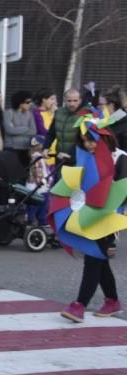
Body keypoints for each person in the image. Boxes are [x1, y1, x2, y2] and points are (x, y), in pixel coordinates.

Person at [59, 126, 125, 322]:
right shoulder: (86, 157)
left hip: (108, 217)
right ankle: (112, 301)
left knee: (93, 258)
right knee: (100, 261)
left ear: (105, 139)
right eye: (84, 141)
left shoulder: (121, 158)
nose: (88, 144)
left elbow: (123, 190)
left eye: (92, 140)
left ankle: (79, 305)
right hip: (87, 213)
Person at [45, 89, 87, 158]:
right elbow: (51, 133)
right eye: (69, 101)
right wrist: (45, 147)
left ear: (80, 101)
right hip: (60, 156)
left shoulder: (86, 114)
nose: (72, 104)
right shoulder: (58, 112)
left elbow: (84, 139)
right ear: (64, 100)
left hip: (78, 158)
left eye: (75, 100)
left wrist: (70, 154)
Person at [4, 90, 37, 168]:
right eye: (27, 102)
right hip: (11, 148)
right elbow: (9, 130)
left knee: (25, 172)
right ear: (20, 102)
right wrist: (26, 128)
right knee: (12, 171)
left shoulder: (29, 114)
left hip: (26, 148)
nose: (30, 104)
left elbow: (33, 131)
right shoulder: (8, 113)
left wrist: (17, 129)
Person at [26, 136, 51, 227]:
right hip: (37, 186)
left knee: (37, 203)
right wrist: (41, 184)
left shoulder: (37, 157)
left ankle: (35, 219)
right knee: (39, 203)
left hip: (36, 185)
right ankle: (38, 220)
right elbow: (37, 172)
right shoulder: (37, 158)